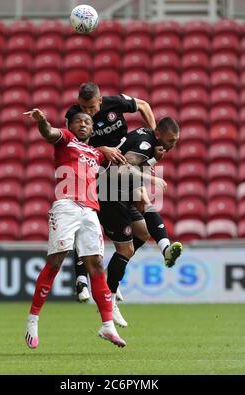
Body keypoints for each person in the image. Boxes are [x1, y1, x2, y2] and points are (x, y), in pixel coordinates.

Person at [23, 108, 126, 349]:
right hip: (66, 206)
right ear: (71, 125)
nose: (83, 124)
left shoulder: (96, 154)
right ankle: (33, 319)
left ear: (92, 129)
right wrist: (43, 121)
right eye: (79, 121)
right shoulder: (67, 140)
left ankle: (107, 326)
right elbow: (49, 133)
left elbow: (115, 158)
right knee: (56, 261)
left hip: (90, 211)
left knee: (97, 264)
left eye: (87, 122)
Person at [65, 82, 158, 303]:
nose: (86, 112)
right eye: (83, 107)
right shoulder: (73, 115)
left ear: (100, 100)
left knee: (143, 231)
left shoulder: (114, 103)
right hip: (93, 173)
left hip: (123, 171)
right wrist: (101, 150)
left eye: (91, 107)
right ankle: (82, 281)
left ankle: (113, 270)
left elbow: (144, 105)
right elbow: (73, 147)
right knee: (88, 225)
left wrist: (153, 137)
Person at [100, 117, 183, 327]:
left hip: (121, 189)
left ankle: (165, 249)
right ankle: (109, 300)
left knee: (143, 232)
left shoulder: (149, 141)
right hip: (108, 194)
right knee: (126, 249)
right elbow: (123, 169)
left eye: (175, 141)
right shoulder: (145, 143)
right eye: (171, 140)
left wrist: (153, 161)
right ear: (158, 134)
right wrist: (153, 177)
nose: (173, 145)